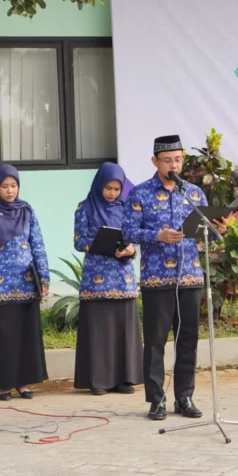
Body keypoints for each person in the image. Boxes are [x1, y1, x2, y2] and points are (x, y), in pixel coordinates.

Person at [123, 135, 226, 421]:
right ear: (155, 161)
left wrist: (220, 227)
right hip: (157, 279)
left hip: (190, 277)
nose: (174, 165)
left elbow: (207, 232)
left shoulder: (194, 193)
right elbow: (128, 232)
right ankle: (156, 400)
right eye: (168, 161)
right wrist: (157, 235)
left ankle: (185, 397)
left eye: (178, 160)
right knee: (155, 341)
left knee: (188, 339)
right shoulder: (140, 194)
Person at [0, 165, 51, 400]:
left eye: (14, 186)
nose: (10, 191)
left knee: (25, 336)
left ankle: (24, 383)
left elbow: (38, 245)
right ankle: (3, 385)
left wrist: (44, 278)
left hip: (26, 283)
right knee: (2, 337)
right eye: (5, 186)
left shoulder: (27, 211)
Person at [73, 162, 145, 396]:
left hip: (122, 278)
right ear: (99, 184)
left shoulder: (127, 208)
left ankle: (125, 379)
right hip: (97, 278)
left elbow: (134, 238)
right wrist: (98, 245)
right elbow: (78, 240)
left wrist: (130, 251)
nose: (112, 193)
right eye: (108, 188)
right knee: (99, 330)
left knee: (123, 329)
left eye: (116, 188)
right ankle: (98, 380)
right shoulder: (84, 207)